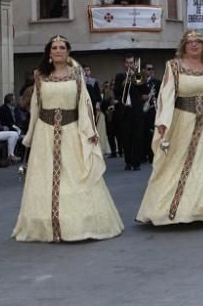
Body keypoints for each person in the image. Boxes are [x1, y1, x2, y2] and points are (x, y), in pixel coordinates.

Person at [13, 36, 123, 242]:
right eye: (54, 47)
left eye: (62, 47)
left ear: (68, 51)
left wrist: (89, 131)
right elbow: (35, 106)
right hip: (45, 134)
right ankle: (43, 225)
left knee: (75, 175)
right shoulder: (39, 76)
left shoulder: (77, 74)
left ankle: (81, 223)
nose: (58, 51)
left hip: (71, 131)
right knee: (44, 178)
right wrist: (31, 135)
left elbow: (84, 104)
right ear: (48, 52)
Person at [137, 30, 203, 226]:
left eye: (198, 42)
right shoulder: (174, 66)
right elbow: (166, 96)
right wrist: (162, 122)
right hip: (182, 122)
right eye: (189, 42)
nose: (194, 45)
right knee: (177, 166)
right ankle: (176, 211)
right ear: (183, 46)